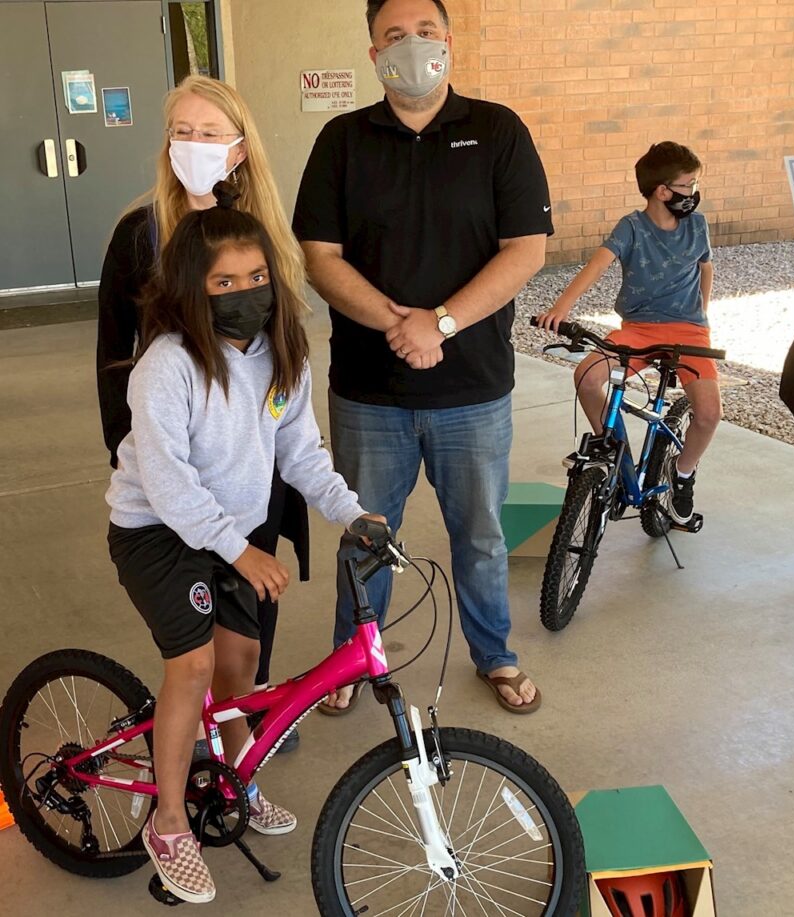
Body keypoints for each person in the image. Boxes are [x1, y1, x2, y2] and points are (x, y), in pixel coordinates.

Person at [106, 189, 374, 904]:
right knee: (194, 664)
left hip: (230, 533)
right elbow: (168, 485)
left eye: (256, 277)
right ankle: (169, 821)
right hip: (157, 531)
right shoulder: (167, 366)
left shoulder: (282, 355)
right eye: (223, 282)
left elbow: (301, 450)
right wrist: (239, 550)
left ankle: (235, 779)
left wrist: (351, 513)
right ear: (190, 288)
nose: (245, 293)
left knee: (243, 662)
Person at [292, 0, 552, 714]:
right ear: (373, 52)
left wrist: (440, 323)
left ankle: (495, 654)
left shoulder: (498, 132)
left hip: (474, 390)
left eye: (426, 32)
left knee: (482, 536)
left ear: (449, 41)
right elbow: (319, 257)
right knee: (367, 537)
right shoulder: (342, 140)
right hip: (370, 392)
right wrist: (400, 325)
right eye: (395, 35)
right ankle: (351, 660)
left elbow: (526, 250)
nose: (413, 46)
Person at [96, 76, 308, 749]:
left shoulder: (263, 233)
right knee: (191, 626)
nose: (194, 144)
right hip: (178, 461)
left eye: (210, 133)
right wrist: (129, 449)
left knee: (251, 594)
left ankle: (242, 709)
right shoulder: (140, 235)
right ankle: (197, 728)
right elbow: (114, 355)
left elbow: (279, 342)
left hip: (249, 462)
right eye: (182, 132)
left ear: (238, 148)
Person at [537, 141, 721, 524]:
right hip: (638, 328)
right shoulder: (632, 227)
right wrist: (561, 308)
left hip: (689, 331)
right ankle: (613, 449)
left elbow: (705, 267)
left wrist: (702, 315)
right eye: (688, 184)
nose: (694, 191)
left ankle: (683, 473)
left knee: (708, 414)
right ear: (663, 191)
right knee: (587, 376)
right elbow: (597, 265)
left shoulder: (697, 226)